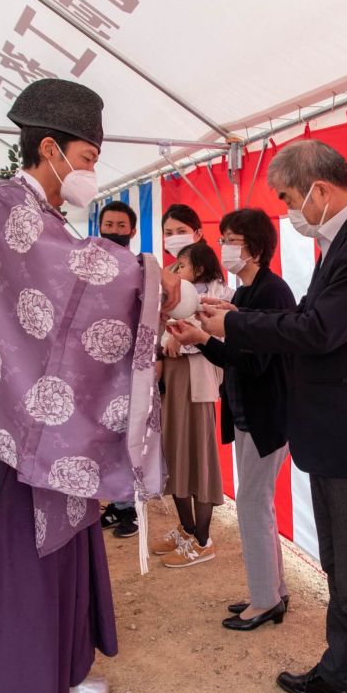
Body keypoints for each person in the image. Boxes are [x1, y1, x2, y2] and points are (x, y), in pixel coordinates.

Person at [0, 79, 171, 693]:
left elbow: (72, 295)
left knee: (62, 552)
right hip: (14, 428)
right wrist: (154, 278)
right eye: (87, 154)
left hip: (39, 421)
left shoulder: (37, 215)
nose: (92, 170)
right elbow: (71, 284)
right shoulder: (6, 209)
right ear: (49, 148)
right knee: (18, 560)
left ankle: (58, 676)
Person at [200, 140, 347, 693]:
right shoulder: (343, 240)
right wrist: (232, 318)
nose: (290, 211)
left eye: (289, 199)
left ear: (318, 187)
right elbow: (314, 324)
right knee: (342, 574)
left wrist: (230, 324)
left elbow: (319, 331)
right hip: (333, 433)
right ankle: (339, 670)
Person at [169, 208, 296, 630]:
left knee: (253, 506)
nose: (224, 246)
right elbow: (233, 358)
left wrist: (211, 334)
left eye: (232, 239)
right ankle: (271, 591)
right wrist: (209, 334)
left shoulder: (272, 292)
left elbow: (255, 362)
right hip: (248, 414)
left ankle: (265, 599)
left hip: (266, 416)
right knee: (257, 504)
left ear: (255, 247)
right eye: (222, 237)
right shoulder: (245, 293)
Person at [153, 241, 233, 567]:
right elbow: (156, 329)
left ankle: (203, 539)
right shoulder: (171, 295)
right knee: (174, 455)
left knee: (197, 457)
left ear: (199, 267)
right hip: (171, 384)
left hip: (196, 385)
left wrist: (178, 336)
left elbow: (217, 336)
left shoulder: (221, 295)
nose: (175, 270)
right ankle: (186, 530)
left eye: (181, 264)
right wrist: (164, 336)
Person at [98, 200, 139, 539]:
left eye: (120, 226)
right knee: (98, 434)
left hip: (126, 368)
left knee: (123, 436)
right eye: (108, 225)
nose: (113, 231)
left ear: (132, 231)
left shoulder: (138, 269)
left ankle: (127, 508)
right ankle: (113, 502)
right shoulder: (86, 268)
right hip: (93, 367)